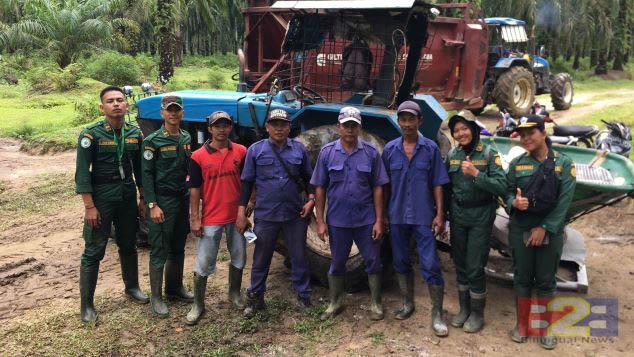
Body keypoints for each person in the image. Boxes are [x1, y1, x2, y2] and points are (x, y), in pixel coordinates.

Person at [75, 86, 148, 323]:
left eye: (120, 100)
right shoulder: (91, 135)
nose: (116, 104)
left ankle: (132, 287)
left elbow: (140, 169)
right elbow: (82, 173)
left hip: (126, 196)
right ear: (102, 107)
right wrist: (89, 206)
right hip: (102, 197)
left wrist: (142, 197)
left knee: (128, 244)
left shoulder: (135, 134)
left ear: (127, 105)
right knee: (94, 251)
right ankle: (86, 305)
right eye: (110, 101)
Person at [311, 106, 389, 321]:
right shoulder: (327, 153)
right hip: (338, 220)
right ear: (339, 127)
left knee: (373, 261)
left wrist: (379, 220)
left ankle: (376, 303)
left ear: (359, 127)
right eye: (346, 125)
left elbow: (378, 187)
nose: (350, 129)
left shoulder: (371, 153)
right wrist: (320, 221)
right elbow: (319, 188)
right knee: (337, 262)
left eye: (354, 125)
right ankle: (335, 302)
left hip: (366, 220)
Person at [236, 108, 316, 317]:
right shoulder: (255, 150)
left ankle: (303, 296)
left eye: (283, 124)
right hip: (266, 214)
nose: (279, 128)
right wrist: (241, 212)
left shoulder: (299, 150)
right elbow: (246, 183)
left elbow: (309, 180)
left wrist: (311, 201)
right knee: (261, 258)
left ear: (289, 127)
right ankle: (256, 298)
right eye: (274, 124)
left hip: (294, 214)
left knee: (299, 256)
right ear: (267, 127)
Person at [505, 115, 576, 350]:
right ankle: (522, 325)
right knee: (522, 278)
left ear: (544, 133)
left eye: (531, 133)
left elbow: (564, 203)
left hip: (550, 230)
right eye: (522, 135)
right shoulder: (517, 164)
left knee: (546, 281)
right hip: (521, 229)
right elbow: (506, 192)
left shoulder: (564, 164)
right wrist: (513, 204)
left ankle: (545, 328)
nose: (526, 138)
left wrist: (544, 228)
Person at [382, 100, 450, 336]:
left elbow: (438, 184)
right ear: (398, 121)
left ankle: (437, 313)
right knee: (400, 261)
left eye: (412, 119)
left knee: (430, 263)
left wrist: (440, 215)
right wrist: (383, 216)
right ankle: (407, 302)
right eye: (404, 119)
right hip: (397, 215)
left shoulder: (430, 148)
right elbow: (384, 186)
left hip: (423, 216)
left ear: (420, 121)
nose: (408, 124)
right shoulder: (390, 149)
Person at [445, 110, 506, 333]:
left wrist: (476, 174)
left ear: (474, 129)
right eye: (456, 130)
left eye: (464, 128)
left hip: (481, 216)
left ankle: (478, 314)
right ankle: (464, 309)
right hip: (458, 216)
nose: (461, 133)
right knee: (459, 264)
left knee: (474, 266)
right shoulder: (452, 154)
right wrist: (443, 216)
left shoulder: (489, 154)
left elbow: (501, 186)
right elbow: (446, 188)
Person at [185, 111, 248, 325]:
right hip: (211, 217)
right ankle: (198, 304)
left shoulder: (241, 151)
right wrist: (195, 218)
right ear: (210, 129)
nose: (222, 129)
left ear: (231, 128)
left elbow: (248, 183)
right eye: (217, 126)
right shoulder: (197, 156)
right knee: (204, 261)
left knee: (239, 255)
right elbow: (194, 190)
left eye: (226, 125)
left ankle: (234, 293)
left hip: (236, 216)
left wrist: (248, 207)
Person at [142, 95, 194, 317]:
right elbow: (146, 175)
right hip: (163, 201)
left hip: (181, 199)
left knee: (178, 245)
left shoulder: (186, 137)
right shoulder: (152, 141)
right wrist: (152, 205)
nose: (173, 114)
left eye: (177, 110)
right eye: (169, 110)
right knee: (159, 248)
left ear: (182, 113)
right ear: (162, 113)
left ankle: (174, 288)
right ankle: (156, 297)